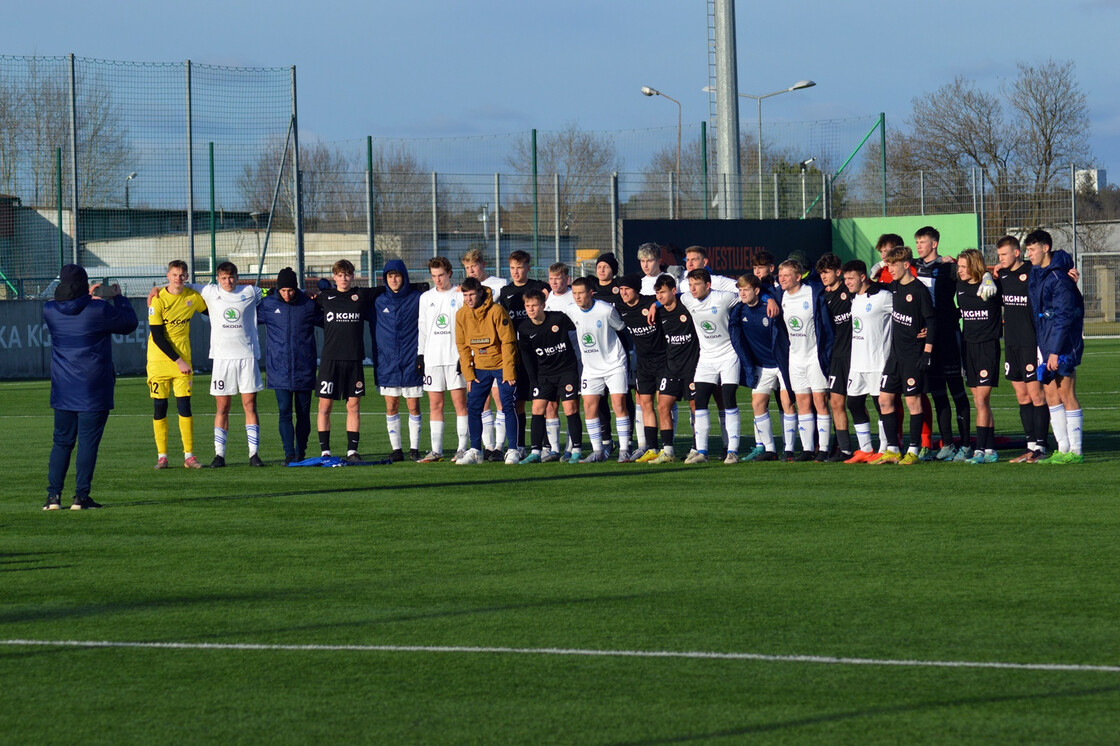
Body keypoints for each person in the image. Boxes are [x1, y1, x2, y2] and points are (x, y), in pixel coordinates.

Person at [43, 265, 138, 509]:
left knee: (62, 442)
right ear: (85, 285)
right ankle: (80, 497)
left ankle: (53, 497)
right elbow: (129, 323)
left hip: (63, 389)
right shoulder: (98, 309)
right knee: (87, 444)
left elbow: (69, 305)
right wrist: (118, 298)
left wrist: (87, 297)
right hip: (93, 389)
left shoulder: (50, 310)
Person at [191, 262, 266, 468]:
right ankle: (219, 455)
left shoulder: (251, 292)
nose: (228, 281)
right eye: (223, 278)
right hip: (222, 360)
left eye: (231, 277)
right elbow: (182, 285)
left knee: (250, 405)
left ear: (237, 276)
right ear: (218, 278)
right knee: (222, 407)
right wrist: (157, 289)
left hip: (247, 358)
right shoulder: (210, 291)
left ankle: (254, 454)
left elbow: (275, 293)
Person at [1025, 229, 1085, 464]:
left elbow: (1064, 316)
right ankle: (1063, 448)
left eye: (1032, 249)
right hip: (1045, 341)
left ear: (1045, 248)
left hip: (1060, 345)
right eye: (1027, 250)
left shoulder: (1059, 277)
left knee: (1065, 392)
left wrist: (1055, 351)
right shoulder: (1037, 274)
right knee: (1050, 393)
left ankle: (1076, 451)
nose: (1029, 254)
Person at [875, 246, 937, 465]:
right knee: (885, 399)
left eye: (893, 264)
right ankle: (892, 448)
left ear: (905, 264)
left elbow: (931, 320)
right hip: (895, 356)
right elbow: (873, 282)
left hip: (913, 355)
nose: (890, 269)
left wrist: (927, 351)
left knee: (913, 401)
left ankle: (913, 449)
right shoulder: (893, 288)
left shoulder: (919, 290)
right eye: (888, 264)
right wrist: (878, 266)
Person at [675, 268, 742, 464]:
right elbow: (669, 298)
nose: (692, 289)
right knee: (700, 402)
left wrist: (768, 299)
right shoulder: (687, 299)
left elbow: (747, 294)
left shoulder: (724, 298)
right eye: (690, 285)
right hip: (706, 359)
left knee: (729, 399)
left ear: (708, 285)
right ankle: (701, 452)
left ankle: (733, 451)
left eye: (696, 284)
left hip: (728, 356)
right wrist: (654, 304)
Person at [258, 267, 323, 465]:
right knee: (284, 412)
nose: (287, 294)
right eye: (283, 290)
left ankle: (300, 451)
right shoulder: (268, 305)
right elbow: (242, 316)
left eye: (291, 290)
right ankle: (289, 454)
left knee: (303, 414)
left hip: (304, 368)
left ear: (297, 288)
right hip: (279, 370)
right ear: (278, 289)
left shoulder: (308, 305)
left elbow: (330, 321)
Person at [564, 277, 633, 462]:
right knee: (588, 406)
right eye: (575, 293)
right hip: (591, 368)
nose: (577, 297)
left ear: (590, 293)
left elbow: (620, 327)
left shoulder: (606, 310)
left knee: (618, 404)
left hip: (614, 363)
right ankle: (598, 451)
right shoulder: (571, 310)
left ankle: (625, 449)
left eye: (581, 293)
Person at [147, 260, 207, 469]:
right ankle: (162, 456)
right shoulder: (158, 300)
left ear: (187, 277)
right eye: (174, 275)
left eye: (182, 275)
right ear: (167, 276)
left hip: (183, 362)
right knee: (159, 408)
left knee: (184, 406)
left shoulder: (192, 298)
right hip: (159, 362)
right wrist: (178, 360)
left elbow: (213, 310)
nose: (178, 278)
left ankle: (189, 456)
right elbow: (157, 336)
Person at [994, 235, 1049, 462]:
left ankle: (1042, 447)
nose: (1001, 259)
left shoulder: (1032, 272)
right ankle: (1030, 444)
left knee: (1037, 395)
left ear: (1017, 253)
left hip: (1030, 343)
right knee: (1021, 396)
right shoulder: (1002, 275)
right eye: (998, 256)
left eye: (1004, 254)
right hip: (1012, 344)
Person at [316, 259, 376, 462]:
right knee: (325, 407)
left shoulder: (360, 295)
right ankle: (325, 451)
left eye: (347, 275)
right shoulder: (325, 297)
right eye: (340, 275)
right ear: (334, 277)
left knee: (353, 406)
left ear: (353, 276)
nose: (344, 278)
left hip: (353, 359)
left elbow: (385, 290)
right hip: (330, 360)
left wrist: (419, 287)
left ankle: (352, 451)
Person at [454, 277, 519, 464]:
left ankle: (513, 449)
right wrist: (469, 374)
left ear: (480, 292)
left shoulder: (497, 311)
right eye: (465, 295)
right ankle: (476, 450)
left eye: (472, 294)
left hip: (500, 364)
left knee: (507, 405)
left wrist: (508, 371)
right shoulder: (461, 315)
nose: (468, 299)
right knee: (473, 407)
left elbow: (508, 342)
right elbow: (462, 346)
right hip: (479, 368)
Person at [516, 289, 584, 463]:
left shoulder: (558, 318)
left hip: (566, 371)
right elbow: (527, 356)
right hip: (544, 374)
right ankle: (536, 452)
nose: (531, 309)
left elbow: (579, 331)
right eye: (527, 306)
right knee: (538, 409)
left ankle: (575, 449)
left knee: (570, 407)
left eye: (534, 305)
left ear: (543, 305)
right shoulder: (524, 328)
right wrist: (533, 381)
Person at [729, 273, 791, 462]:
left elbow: (772, 291)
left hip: (782, 363)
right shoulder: (739, 311)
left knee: (787, 403)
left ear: (757, 290)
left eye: (746, 289)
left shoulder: (770, 305)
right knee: (757, 403)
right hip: (761, 366)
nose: (742, 293)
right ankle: (770, 450)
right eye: (739, 290)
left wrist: (769, 298)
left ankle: (789, 450)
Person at [777, 259, 835, 461]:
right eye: (780, 275)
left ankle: (825, 448)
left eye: (786, 275)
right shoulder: (779, 295)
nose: (781, 279)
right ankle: (808, 449)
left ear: (798, 276)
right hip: (795, 357)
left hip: (814, 356)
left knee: (820, 401)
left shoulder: (813, 292)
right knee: (802, 401)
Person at [839, 260, 893, 463]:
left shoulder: (883, 297)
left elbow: (906, 310)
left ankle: (884, 447)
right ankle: (865, 448)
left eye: (851, 278)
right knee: (853, 402)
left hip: (878, 361)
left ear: (863, 277)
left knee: (881, 405)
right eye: (845, 278)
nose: (847, 282)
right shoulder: (854, 298)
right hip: (857, 362)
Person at [498, 250, 551, 454]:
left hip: (538, 353)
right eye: (512, 268)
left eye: (520, 267)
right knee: (517, 401)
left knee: (541, 401)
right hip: (516, 354)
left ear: (528, 267)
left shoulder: (538, 287)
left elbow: (551, 291)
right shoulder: (505, 292)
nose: (516, 272)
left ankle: (546, 446)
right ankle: (519, 446)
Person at [417, 256, 469, 462]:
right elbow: (422, 328)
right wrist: (420, 355)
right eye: (434, 276)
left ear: (449, 273)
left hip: (455, 357)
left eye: (441, 275)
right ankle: (436, 451)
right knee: (435, 405)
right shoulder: (425, 297)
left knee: (460, 404)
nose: (438, 280)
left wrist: (465, 355)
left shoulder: (460, 295)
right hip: (432, 359)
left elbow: (466, 328)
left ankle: (462, 448)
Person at [373, 259, 425, 462]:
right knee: (391, 405)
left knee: (413, 406)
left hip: (411, 362)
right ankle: (397, 449)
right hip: (388, 364)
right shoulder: (378, 301)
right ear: (385, 279)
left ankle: (414, 448)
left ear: (404, 277)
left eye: (397, 275)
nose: (394, 279)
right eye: (390, 276)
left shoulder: (417, 298)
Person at [955, 249, 1003, 464]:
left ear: (974, 266)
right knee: (979, 401)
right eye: (958, 266)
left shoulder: (991, 286)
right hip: (968, 347)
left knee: (982, 400)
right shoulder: (959, 285)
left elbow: (1002, 272)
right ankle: (991, 449)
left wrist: (988, 276)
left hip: (987, 347)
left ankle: (980, 450)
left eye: (964, 267)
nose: (960, 270)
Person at [647, 275, 700, 463]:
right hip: (671, 368)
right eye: (657, 293)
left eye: (663, 292)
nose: (659, 296)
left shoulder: (687, 307)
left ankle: (697, 448)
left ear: (674, 291)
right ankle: (668, 451)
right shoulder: (659, 313)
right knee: (662, 406)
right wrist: (655, 305)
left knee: (695, 408)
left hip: (692, 368)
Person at [462, 248, 508, 460]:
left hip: (497, 351)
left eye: (473, 266)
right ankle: (486, 447)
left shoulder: (500, 284)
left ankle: (499, 446)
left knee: (499, 397)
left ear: (482, 265)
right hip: (477, 352)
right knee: (481, 402)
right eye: (467, 267)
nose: (470, 270)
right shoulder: (464, 290)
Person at [615, 274, 665, 462]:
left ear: (636, 290)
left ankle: (667, 447)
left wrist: (656, 305)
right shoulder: (619, 307)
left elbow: (671, 296)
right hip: (642, 363)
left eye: (627, 289)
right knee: (645, 404)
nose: (624, 293)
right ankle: (651, 448)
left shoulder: (649, 302)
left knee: (662, 405)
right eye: (621, 289)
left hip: (662, 360)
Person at [817, 253, 854, 461]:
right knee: (836, 402)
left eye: (827, 272)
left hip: (858, 354)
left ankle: (883, 445)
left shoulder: (850, 291)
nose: (823, 276)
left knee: (857, 402)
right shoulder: (823, 297)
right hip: (837, 356)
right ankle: (844, 448)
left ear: (838, 272)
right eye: (821, 273)